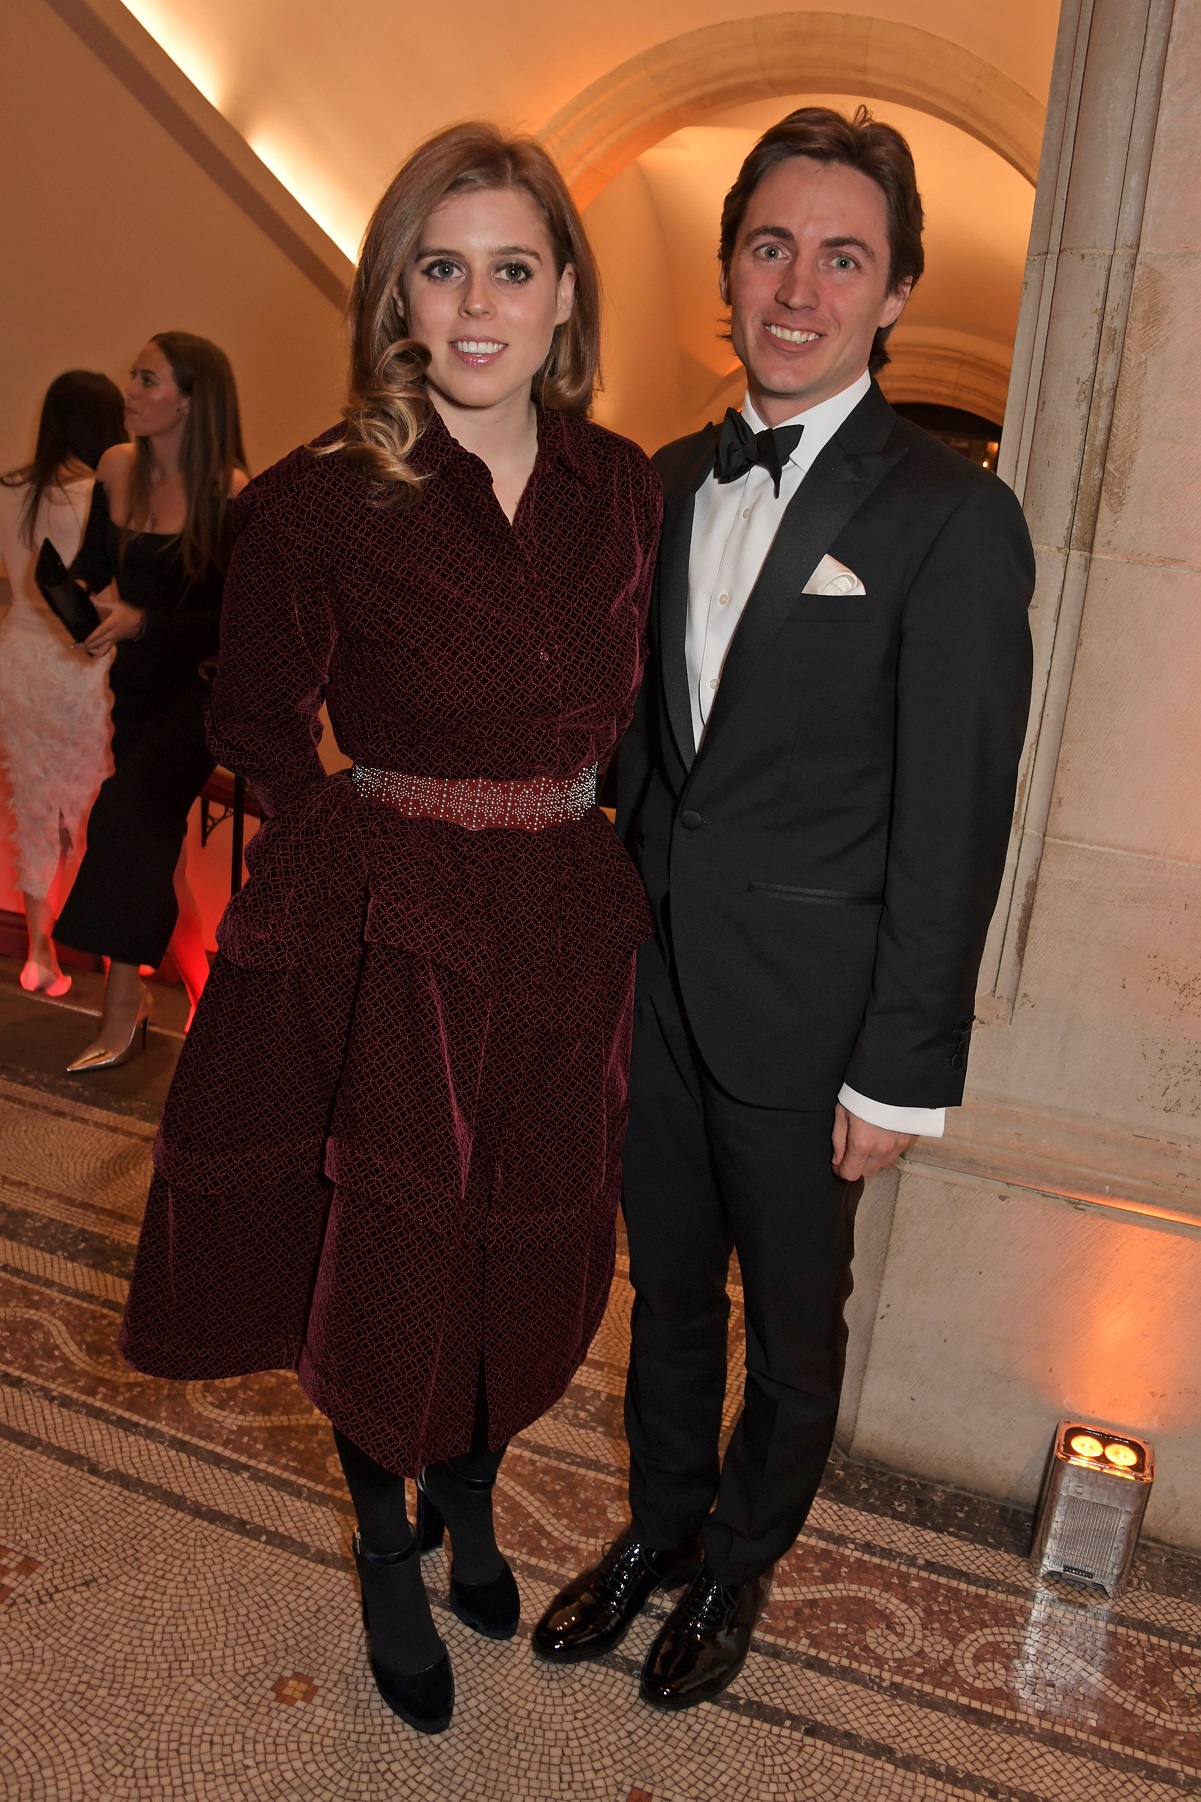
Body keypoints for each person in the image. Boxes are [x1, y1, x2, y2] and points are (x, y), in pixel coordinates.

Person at [118, 123, 661, 1736]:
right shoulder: (317, 497)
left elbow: (632, 716)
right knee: (396, 1248)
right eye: (443, 269)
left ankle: (474, 1492)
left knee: (532, 1235)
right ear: (397, 299)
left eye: (511, 267)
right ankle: (379, 1533)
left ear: (564, 292)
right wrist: (356, 867)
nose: (478, 305)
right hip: (400, 923)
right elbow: (258, 716)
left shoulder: (622, 486)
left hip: (566, 916)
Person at [533, 106, 1035, 1710]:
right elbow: (628, 747)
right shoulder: (659, 481)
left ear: (894, 294)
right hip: (654, 993)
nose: (799, 288)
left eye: (843, 257)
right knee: (663, 1295)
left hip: (820, 1027)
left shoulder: (952, 516)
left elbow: (956, 818)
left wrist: (901, 1070)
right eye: (772, 248)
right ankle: (658, 1534)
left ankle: (738, 1572)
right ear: (730, 269)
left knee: (793, 1335)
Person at [55, 332, 248, 1068]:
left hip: (199, 694)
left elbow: (239, 619)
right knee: (147, 836)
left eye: (148, 379)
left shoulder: (229, 491)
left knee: (127, 812)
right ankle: (138, 1003)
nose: (130, 391)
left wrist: (146, 622)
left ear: (192, 401)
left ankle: (117, 1013)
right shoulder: (116, 466)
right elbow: (94, 567)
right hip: (133, 688)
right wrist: (79, 605)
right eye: (131, 376)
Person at [0, 372, 127, 995]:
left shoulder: (8, 487)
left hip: (19, 658)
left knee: (32, 799)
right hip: (82, 663)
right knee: (88, 808)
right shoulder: (102, 496)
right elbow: (106, 595)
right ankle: (108, 954)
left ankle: (39, 950)